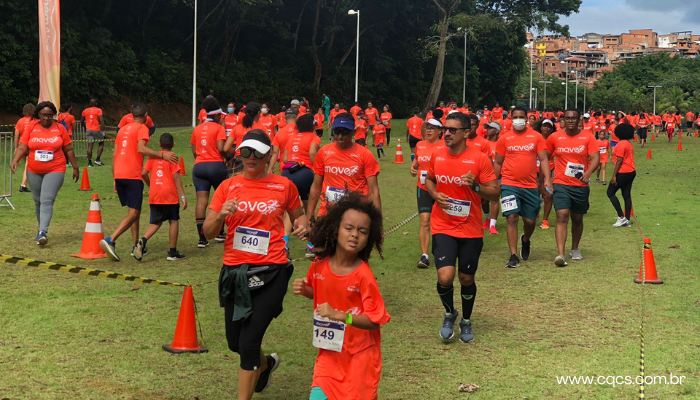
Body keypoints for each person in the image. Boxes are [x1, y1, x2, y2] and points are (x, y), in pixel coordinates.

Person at [202, 130, 309, 400]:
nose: (251, 158)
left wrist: (303, 227)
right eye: (246, 152)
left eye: (257, 153)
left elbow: (300, 217)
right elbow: (208, 232)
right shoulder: (228, 186)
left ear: (268, 155)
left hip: (273, 271)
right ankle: (265, 365)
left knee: (249, 343)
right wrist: (221, 214)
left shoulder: (284, 186)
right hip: (235, 273)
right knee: (235, 343)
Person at [292, 192, 390, 400]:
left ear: (368, 238)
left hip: (360, 357)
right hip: (329, 353)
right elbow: (318, 293)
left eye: (362, 231)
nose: (355, 234)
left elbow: (374, 320)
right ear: (336, 229)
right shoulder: (318, 265)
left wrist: (340, 316)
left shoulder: (364, 276)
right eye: (349, 228)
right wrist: (305, 290)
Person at [424, 112, 500, 343]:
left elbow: (495, 193)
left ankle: (466, 320)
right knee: (445, 277)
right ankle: (450, 313)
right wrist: (435, 194)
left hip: (470, 228)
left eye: (452, 130)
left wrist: (476, 187)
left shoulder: (479, 158)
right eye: (445, 129)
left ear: (466, 133)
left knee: (466, 278)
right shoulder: (436, 154)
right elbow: (429, 179)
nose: (446, 133)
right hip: (442, 225)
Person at [100, 104, 178, 261]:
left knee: (132, 211)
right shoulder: (142, 128)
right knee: (134, 212)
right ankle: (111, 240)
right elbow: (141, 149)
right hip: (132, 175)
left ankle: (136, 245)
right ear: (146, 115)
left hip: (120, 174)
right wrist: (162, 156)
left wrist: (115, 177)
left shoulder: (122, 129)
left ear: (131, 114)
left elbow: (114, 154)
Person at [11, 101, 79, 245]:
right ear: (38, 115)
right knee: (37, 200)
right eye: (43, 115)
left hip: (55, 169)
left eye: (49, 115)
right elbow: (23, 146)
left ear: (54, 115)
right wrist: (15, 160)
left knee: (46, 199)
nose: (47, 118)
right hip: (33, 170)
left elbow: (68, 149)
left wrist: (75, 167)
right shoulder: (32, 127)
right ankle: (40, 229)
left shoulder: (60, 128)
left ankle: (43, 232)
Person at [493, 107, 551, 269]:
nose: (518, 120)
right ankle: (513, 255)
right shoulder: (504, 139)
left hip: (530, 185)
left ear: (527, 118)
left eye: (521, 117)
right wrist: (491, 181)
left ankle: (525, 240)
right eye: (515, 117)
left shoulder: (536, 136)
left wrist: (547, 179)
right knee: (511, 218)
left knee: (529, 221)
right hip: (509, 184)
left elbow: (544, 160)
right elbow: (498, 162)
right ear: (511, 119)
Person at [546, 109, 600, 267]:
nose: (570, 121)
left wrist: (588, 173)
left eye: (574, 118)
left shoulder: (587, 137)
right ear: (563, 120)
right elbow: (545, 158)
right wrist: (547, 178)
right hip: (561, 183)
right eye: (567, 118)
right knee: (562, 216)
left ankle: (574, 248)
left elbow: (595, 157)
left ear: (579, 121)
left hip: (580, 185)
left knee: (577, 218)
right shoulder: (554, 137)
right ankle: (561, 254)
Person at [307, 113, 381, 220]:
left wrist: (378, 225)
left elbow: (373, 190)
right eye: (337, 131)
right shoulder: (323, 152)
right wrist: (309, 217)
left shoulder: (365, 155)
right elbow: (316, 187)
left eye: (345, 132)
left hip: (355, 215)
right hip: (327, 214)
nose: (340, 136)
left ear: (353, 132)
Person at [134, 133, 187, 261]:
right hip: (169, 195)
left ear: (159, 145)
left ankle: (143, 240)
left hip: (155, 195)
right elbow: (176, 177)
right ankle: (172, 252)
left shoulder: (152, 158)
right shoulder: (173, 158)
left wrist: (150, 184)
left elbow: (143, 173)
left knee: (156, 222)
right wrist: (183, 195)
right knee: (173, 221)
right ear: (173, 145)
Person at [191, 97, 229, 248]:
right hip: (216, 166)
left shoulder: (197, 128)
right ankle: (219, 233)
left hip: (199, 167)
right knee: (220, 199)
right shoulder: (219, 128)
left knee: (201, 202)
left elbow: (194, 150)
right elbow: (221, 148)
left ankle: (202, 238)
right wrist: (228, 157)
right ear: (218, 116)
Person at [282, 114, 321, 258]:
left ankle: (284, 244)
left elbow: (285, 158)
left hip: (287, 172)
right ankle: (311, 245)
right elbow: (312, 152)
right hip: (304, 173)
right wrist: (317, 168)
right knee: (309, 209)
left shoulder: (292, 137)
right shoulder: (313, 137)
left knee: (290, 210)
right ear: (312, 125)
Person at [410, 118, 443, 268]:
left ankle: (441, 248)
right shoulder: (420, 145)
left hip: (440, 189)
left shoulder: (444, 146)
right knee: (424, 221)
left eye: (432, 128)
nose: (428, 131)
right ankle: (424, 256)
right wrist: (413, 168)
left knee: (440, 222)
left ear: (440, 131)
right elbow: (417, 162)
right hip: (422, 188)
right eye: (427, 128)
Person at [608, 123, 636, 228]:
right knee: (626, 195)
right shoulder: (629, 143)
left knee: (610, 193)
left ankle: (621, 217)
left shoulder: (620, 144)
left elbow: (619, 161)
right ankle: (627, 219)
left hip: (623, 172)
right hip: (631, 171)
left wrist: (614, 175)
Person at [535, 119, 556, 230]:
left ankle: (545, 220)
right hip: (534, 171)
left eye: (549, 127)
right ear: (541, 127)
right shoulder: (535, 139)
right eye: (544, 126)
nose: (546, 128)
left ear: (552, 129)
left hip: (549, 170)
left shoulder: (553, 140)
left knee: (548, 195)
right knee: (535, 195)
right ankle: (535, 213)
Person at [269, 108, 299, 174]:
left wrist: (270, 169)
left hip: (284, 167)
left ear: (285, 119)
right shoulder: (301, 131)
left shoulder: (279, 133)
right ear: (297, 118)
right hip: (299, 165)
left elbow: (275, 153)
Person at [13, 103, 36, 192]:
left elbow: (16, 135)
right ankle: (23, 185)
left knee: (28, 165)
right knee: (28, 165)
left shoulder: (20, 121)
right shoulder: (34, 121)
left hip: (22, 144)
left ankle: (25, 183)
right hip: (31, 144)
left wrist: (16, 147)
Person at [484, 122, 501, 234]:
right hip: (484, 175)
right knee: (484, 201)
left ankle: (492, 226)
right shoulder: (483, 143)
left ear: (497, 131)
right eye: (488, 128)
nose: (488, 130)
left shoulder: (501, 143)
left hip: (499, 175)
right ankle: (488, 217)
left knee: (495, 199)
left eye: (491, 128)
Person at [82, 98, 106, 167]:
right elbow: (101, 120)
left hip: (88, 130)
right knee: (101, 143)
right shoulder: (98, 110)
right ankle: (98, 159)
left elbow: (81, 120)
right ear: (96, 104)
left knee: (90, 145)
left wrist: (84, 127)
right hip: (96, 129)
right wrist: (103, 129)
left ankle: (90, 163)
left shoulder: (85, 110)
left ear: (89, 104)